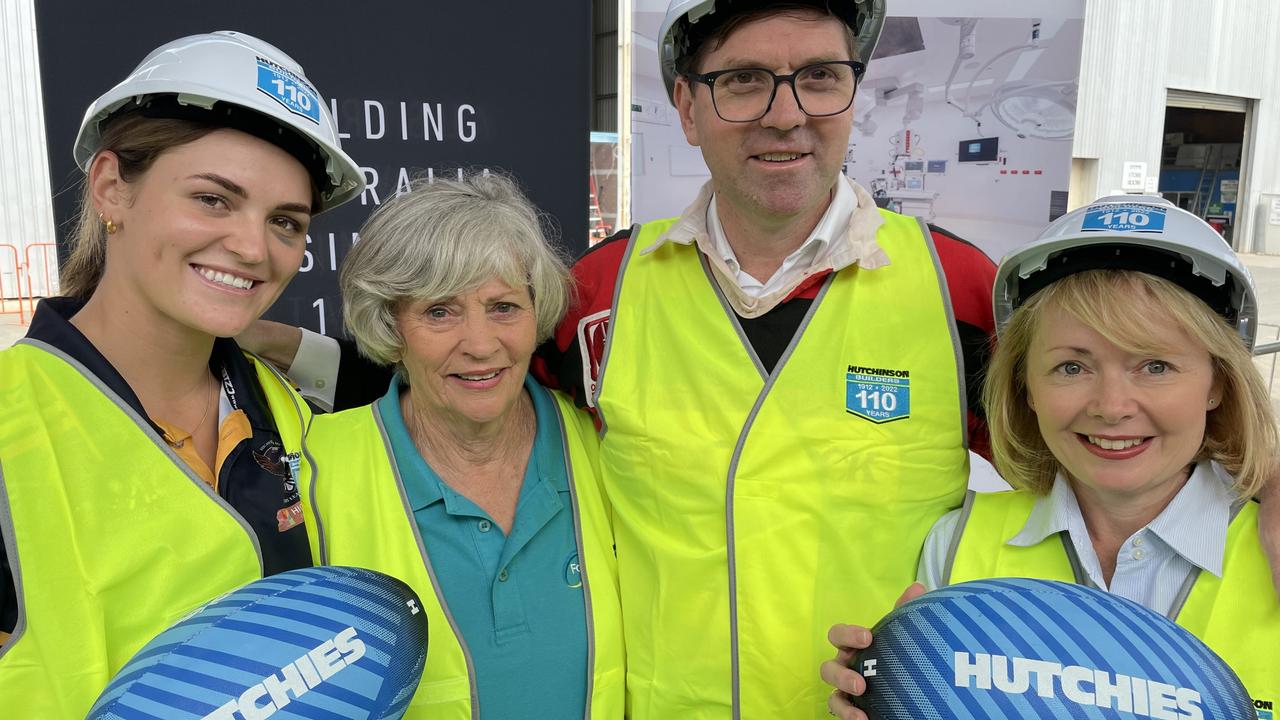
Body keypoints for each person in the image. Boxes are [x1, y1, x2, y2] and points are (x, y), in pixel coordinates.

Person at [240, 2, 1280, 716]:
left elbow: (1104, 449)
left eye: (817, 78)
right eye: (740, 81)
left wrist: (1268, 487)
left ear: (852, 97)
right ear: (685, 107)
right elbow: (462, 383)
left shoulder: (955, 287)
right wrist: (276, 344)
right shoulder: (603, 288)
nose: (783, 112)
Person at [0, 31, 363, 715]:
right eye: (213, 200)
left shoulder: (289, 412)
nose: (254, 248)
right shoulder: (13, 421)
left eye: (285, 222)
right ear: (112, 189)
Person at [823, 196, 1280, 718]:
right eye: (1071, 368)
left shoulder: (1270, 550)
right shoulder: (955, 545)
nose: (1111, 408)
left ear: (1218, 383)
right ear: (1026, 387)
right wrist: (888, 688)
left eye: (1155, 366)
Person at [299, 173, 625, 718]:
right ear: (390, 324)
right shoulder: (312, 470)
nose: (479, 345)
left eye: (503, 307)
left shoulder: (605, 445)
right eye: (439, 312)